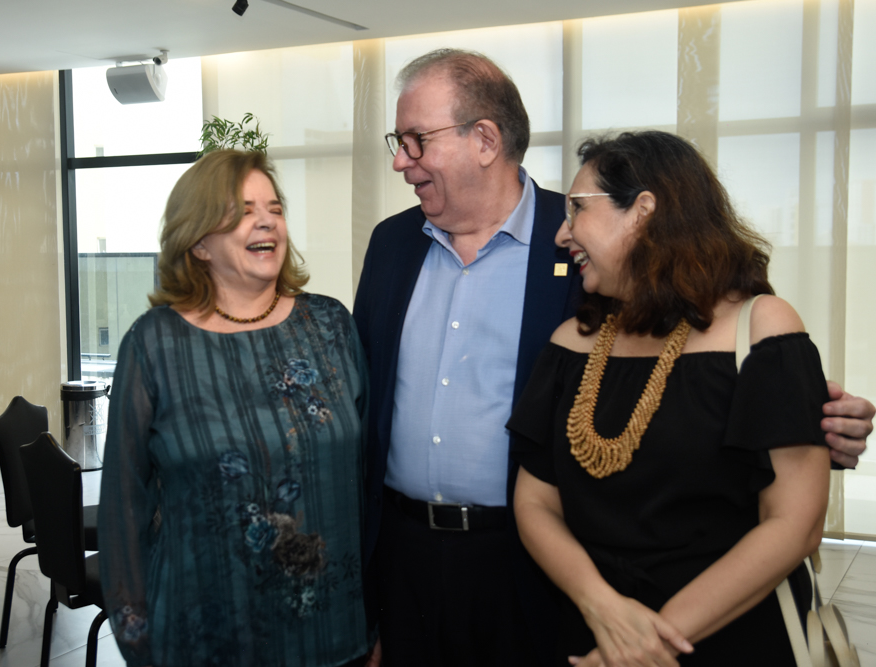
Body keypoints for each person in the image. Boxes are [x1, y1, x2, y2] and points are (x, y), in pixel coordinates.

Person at [352, 49, 875, 666]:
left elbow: (698, 376)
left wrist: (813, 425)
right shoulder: (392, 245)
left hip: (542, 578)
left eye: (416, 141)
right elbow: (367, 398)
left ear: (485, 139)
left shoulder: (595, 257)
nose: (399, 161)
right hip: (414, 556)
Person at [509, 130, 835, 666]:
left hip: (727, 637)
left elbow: (795, 522)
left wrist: (648, 644)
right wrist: (604, 610)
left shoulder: (763, 328)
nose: (561, 234)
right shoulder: (570, 343)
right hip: (594, 636)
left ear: (642, 210)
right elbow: (535, 503)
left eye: (577, 210)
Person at [98, 150, 374, 667]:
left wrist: (377, 620)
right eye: (244, 210)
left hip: (335, 636)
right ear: (199, 241)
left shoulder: (330, 326)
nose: (267, 220)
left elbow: (366, 483)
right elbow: (124, 508)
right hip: (205, 639)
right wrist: (137, 637)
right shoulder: (154, 344)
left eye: (274, 207)